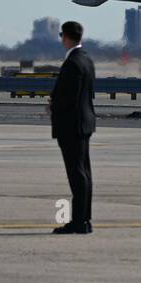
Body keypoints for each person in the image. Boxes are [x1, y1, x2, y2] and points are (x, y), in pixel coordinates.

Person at [47, 21, 96, 234]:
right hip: (84, 123)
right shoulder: (86, 59)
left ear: (65, 37)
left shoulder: (73, 63)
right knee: (84, 173)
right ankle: (84, 219)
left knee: (77, 174)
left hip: (72, 125)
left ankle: (78, 222)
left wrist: (53, 106)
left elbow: (70, 98)